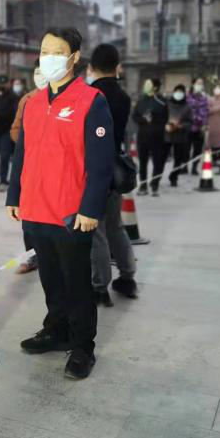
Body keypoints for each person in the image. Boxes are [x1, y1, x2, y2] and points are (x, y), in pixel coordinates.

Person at [6, 27, 114, 381]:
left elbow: (101, 164)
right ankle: (56, 329)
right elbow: (21, 155)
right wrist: (14, 196)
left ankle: (83, 346)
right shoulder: (34, 103)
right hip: (36, 208)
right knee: (50, 279)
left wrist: (91, 209)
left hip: (71, 214)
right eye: (44, 50)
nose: (48, 57)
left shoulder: (91, 101)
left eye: (57, 51)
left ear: (74, 57)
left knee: (77, 283)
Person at [85, 44, 138, 307]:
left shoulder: (89, 96)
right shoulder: (124, 97)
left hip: (93, 169)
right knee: (115, 225)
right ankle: (127, 276)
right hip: (116, 170)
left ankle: (99, 287)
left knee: (96, 229)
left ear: (91, 67)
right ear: (118, 66)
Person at [10, 59, 45, 275]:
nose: (41, 77)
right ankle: (32, 257)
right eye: (37, 73)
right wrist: (28, 143)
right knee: (29, 217)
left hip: (56, 170)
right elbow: (15, 129)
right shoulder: (28, 99)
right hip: (31, 167)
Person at [132, 78, 168, 197]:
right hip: (143, 136)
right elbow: (135, 116)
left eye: (148, 84)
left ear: (155, 87)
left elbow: (165, 118)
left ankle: (155, 185)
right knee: (143, 162)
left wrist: (155, 120)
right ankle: (143, 185)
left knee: (158, 162)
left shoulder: (162, 101)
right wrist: (143, 119)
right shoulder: (141, 100)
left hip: (157, 136)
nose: (145, 86)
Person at [165, 84, 192, 187]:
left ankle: (174, 177)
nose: (178, 94)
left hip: (180, 136)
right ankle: (156, 177)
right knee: (161, 158)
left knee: (179, 158)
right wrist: (166, 124)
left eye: (181, 92)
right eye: (177, 91)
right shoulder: (166, 104)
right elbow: (161, 117)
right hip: (166, 134)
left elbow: (190, 122)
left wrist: (181, 125)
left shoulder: (187, 107)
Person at [187, 77, 209, 175]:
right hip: (188, 127)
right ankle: (184, 166)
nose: (200, 85)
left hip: (200, 128)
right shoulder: (187, 96)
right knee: (185, 149)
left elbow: (206, 112)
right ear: (193, 84)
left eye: (201, 83)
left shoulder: (204, 97)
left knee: (198, 149)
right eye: (198, 83)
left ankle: (194, 167)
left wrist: (205, 124)